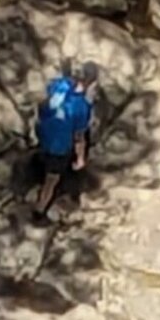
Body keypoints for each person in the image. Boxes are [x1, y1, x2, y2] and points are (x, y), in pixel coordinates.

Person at [32, 62, 98, 224]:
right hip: (58, 148)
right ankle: (39, 212)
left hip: (42, 134)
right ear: (90, 82)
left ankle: (37, 172)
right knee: (51, 181)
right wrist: (81, 158)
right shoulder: (82, 106)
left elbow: (43, 99)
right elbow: (79, 137)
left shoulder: (60, 84)